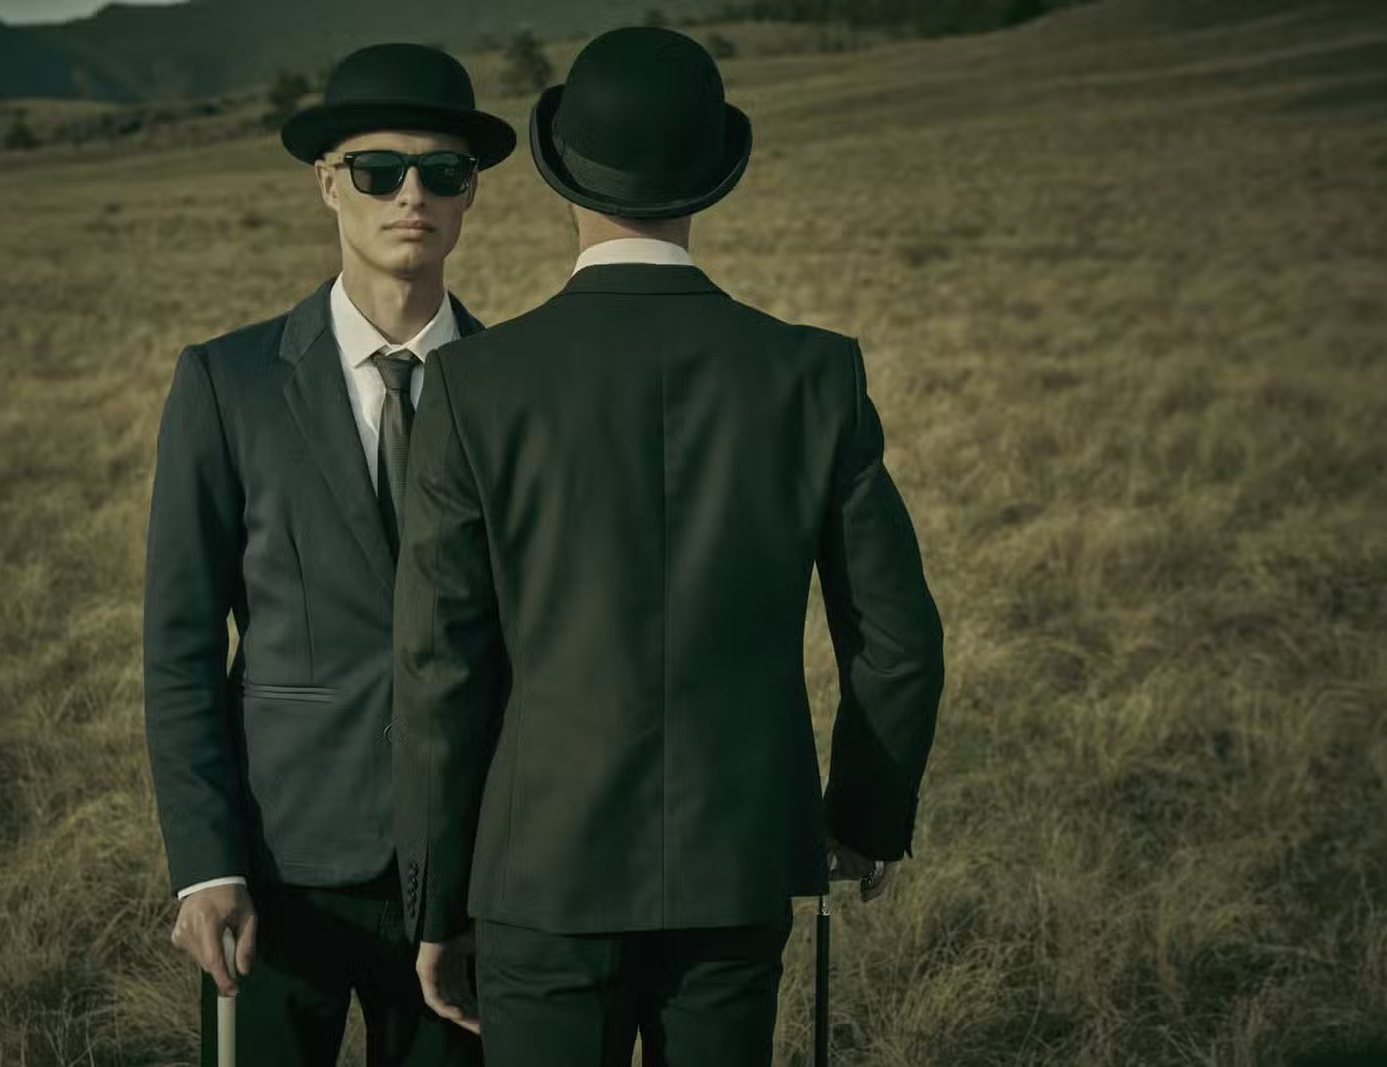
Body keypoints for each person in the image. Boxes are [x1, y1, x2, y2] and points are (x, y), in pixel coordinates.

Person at [389, 26, 946, 1067]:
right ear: (708, 182)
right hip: (736, 863)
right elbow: (897, 634)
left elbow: (438, 667)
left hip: (536, 874)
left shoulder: (476, 386)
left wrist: (436, 899)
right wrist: (864, 817)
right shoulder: (813, 374)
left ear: (563, 180)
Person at [142, 41, 514, 1065]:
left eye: (442, 172)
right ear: (326, 183)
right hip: (276, 871)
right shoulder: (228, 383)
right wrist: (203, 863)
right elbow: (179, 644)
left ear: (469, 192)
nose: (410, 194)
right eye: (376, 169)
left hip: (470, 880)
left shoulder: (520, 390)